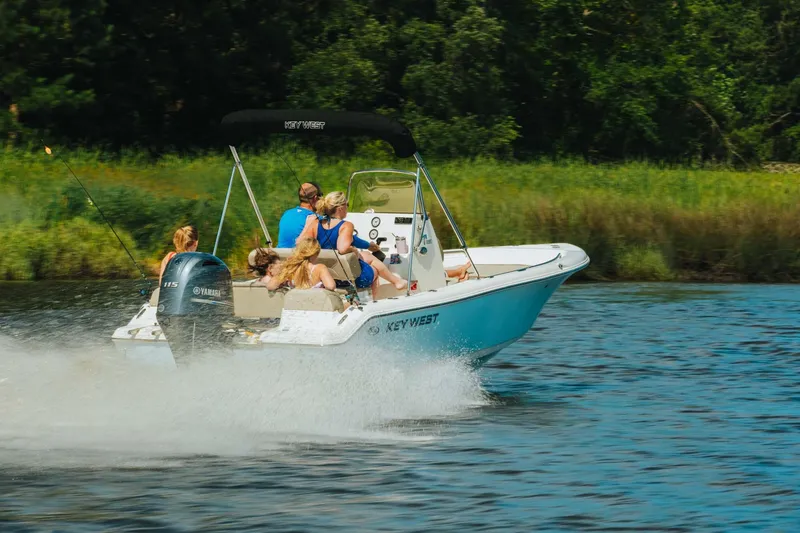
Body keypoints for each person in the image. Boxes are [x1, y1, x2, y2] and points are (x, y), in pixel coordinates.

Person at [298, 191, 407, 298]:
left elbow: (299, 243)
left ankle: (395, 282)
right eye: (347, 205)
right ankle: (378, 297)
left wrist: (368, 246)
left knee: (366, 254)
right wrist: (353, 250)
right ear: (340, 208)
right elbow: (342, 248)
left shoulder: (316, 224)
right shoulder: (346, 225)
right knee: (375, 268)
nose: (347, 208)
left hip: (326, 275)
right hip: (350, 278)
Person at [267, 238, 336, 291]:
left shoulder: (290, 268)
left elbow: (270, 286)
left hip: (295, 306)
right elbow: (331, 286)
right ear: (316, 253)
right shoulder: (320, 268)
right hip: (316, 306)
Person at [277, 182, 323, 248]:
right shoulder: (318, 219)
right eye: (320, 195)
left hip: (281, 255)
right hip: (299, 256)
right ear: (315, 198)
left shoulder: (287, 213)